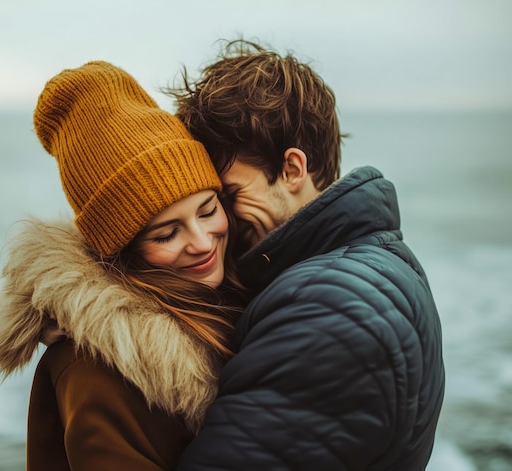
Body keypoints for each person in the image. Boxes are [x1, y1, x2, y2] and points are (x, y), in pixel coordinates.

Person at [168, 39, 445, 470]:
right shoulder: (369, 266)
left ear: (293, 169)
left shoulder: (328, 309)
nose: (219, 222)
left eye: (229, 195)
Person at [0, 61, 245, 470]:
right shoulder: (93, 371)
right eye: (166, 234)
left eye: (208, 210)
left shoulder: (230, 294)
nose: (201, 242)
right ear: (121, 250)